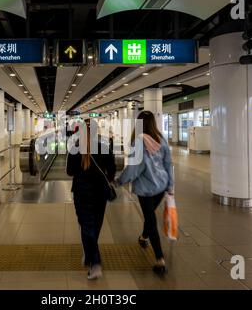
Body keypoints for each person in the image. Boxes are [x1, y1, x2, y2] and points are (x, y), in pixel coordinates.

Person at [115, 111, 174, 275]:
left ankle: (160, 259)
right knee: (150, 216)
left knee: (150, 218)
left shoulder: (139, 141)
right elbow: (169, 164)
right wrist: (170, 186)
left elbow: (134, 168)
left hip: (146, 189)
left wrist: (119, 181)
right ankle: (143, 237)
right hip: (161, 187)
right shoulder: (160, 139)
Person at [66, 119, 116, 280]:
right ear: (96, 131)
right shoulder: (104, 148)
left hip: (82, 193)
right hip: (100, 194)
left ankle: (95, 263)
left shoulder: (75, 149)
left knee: (86, 226)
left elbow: (70, 171)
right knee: (95, 226)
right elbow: (112, 169)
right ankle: (89, 256)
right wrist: (106, 179)